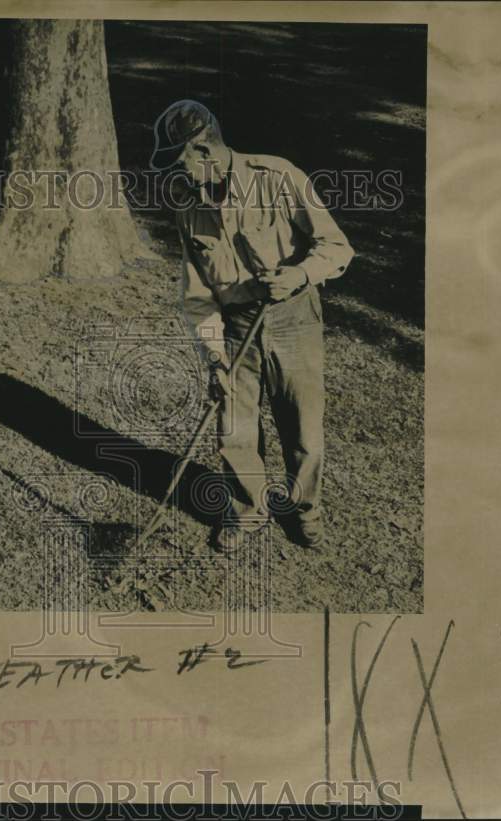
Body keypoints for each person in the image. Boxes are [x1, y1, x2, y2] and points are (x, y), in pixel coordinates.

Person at [150, 99, 354, 553]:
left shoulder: (277, 177)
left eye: (179, 162)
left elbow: (337, 247)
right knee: (234, 429)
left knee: (302, 430)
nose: (175, 175)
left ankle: (305, 510)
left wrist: (299, 274)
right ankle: (246, 511)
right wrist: (214, 356)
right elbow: (198, 291)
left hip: (293, 319)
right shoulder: (188, 204)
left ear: (204, 151)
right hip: (238, 326)